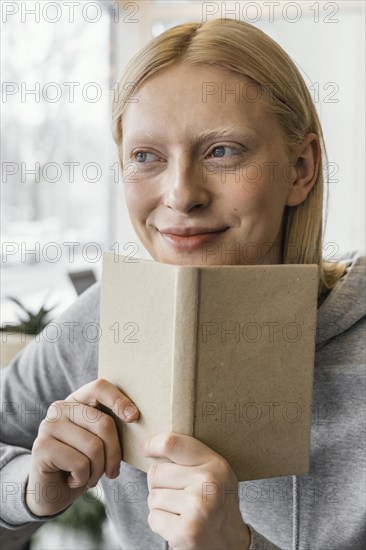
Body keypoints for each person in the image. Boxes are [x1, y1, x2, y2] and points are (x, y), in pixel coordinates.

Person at [1, 18, 365, 550]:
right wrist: (29, 489)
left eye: (222, 151)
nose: (180, 195)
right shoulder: (102, 321)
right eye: (146, 156)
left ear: (302, 168)